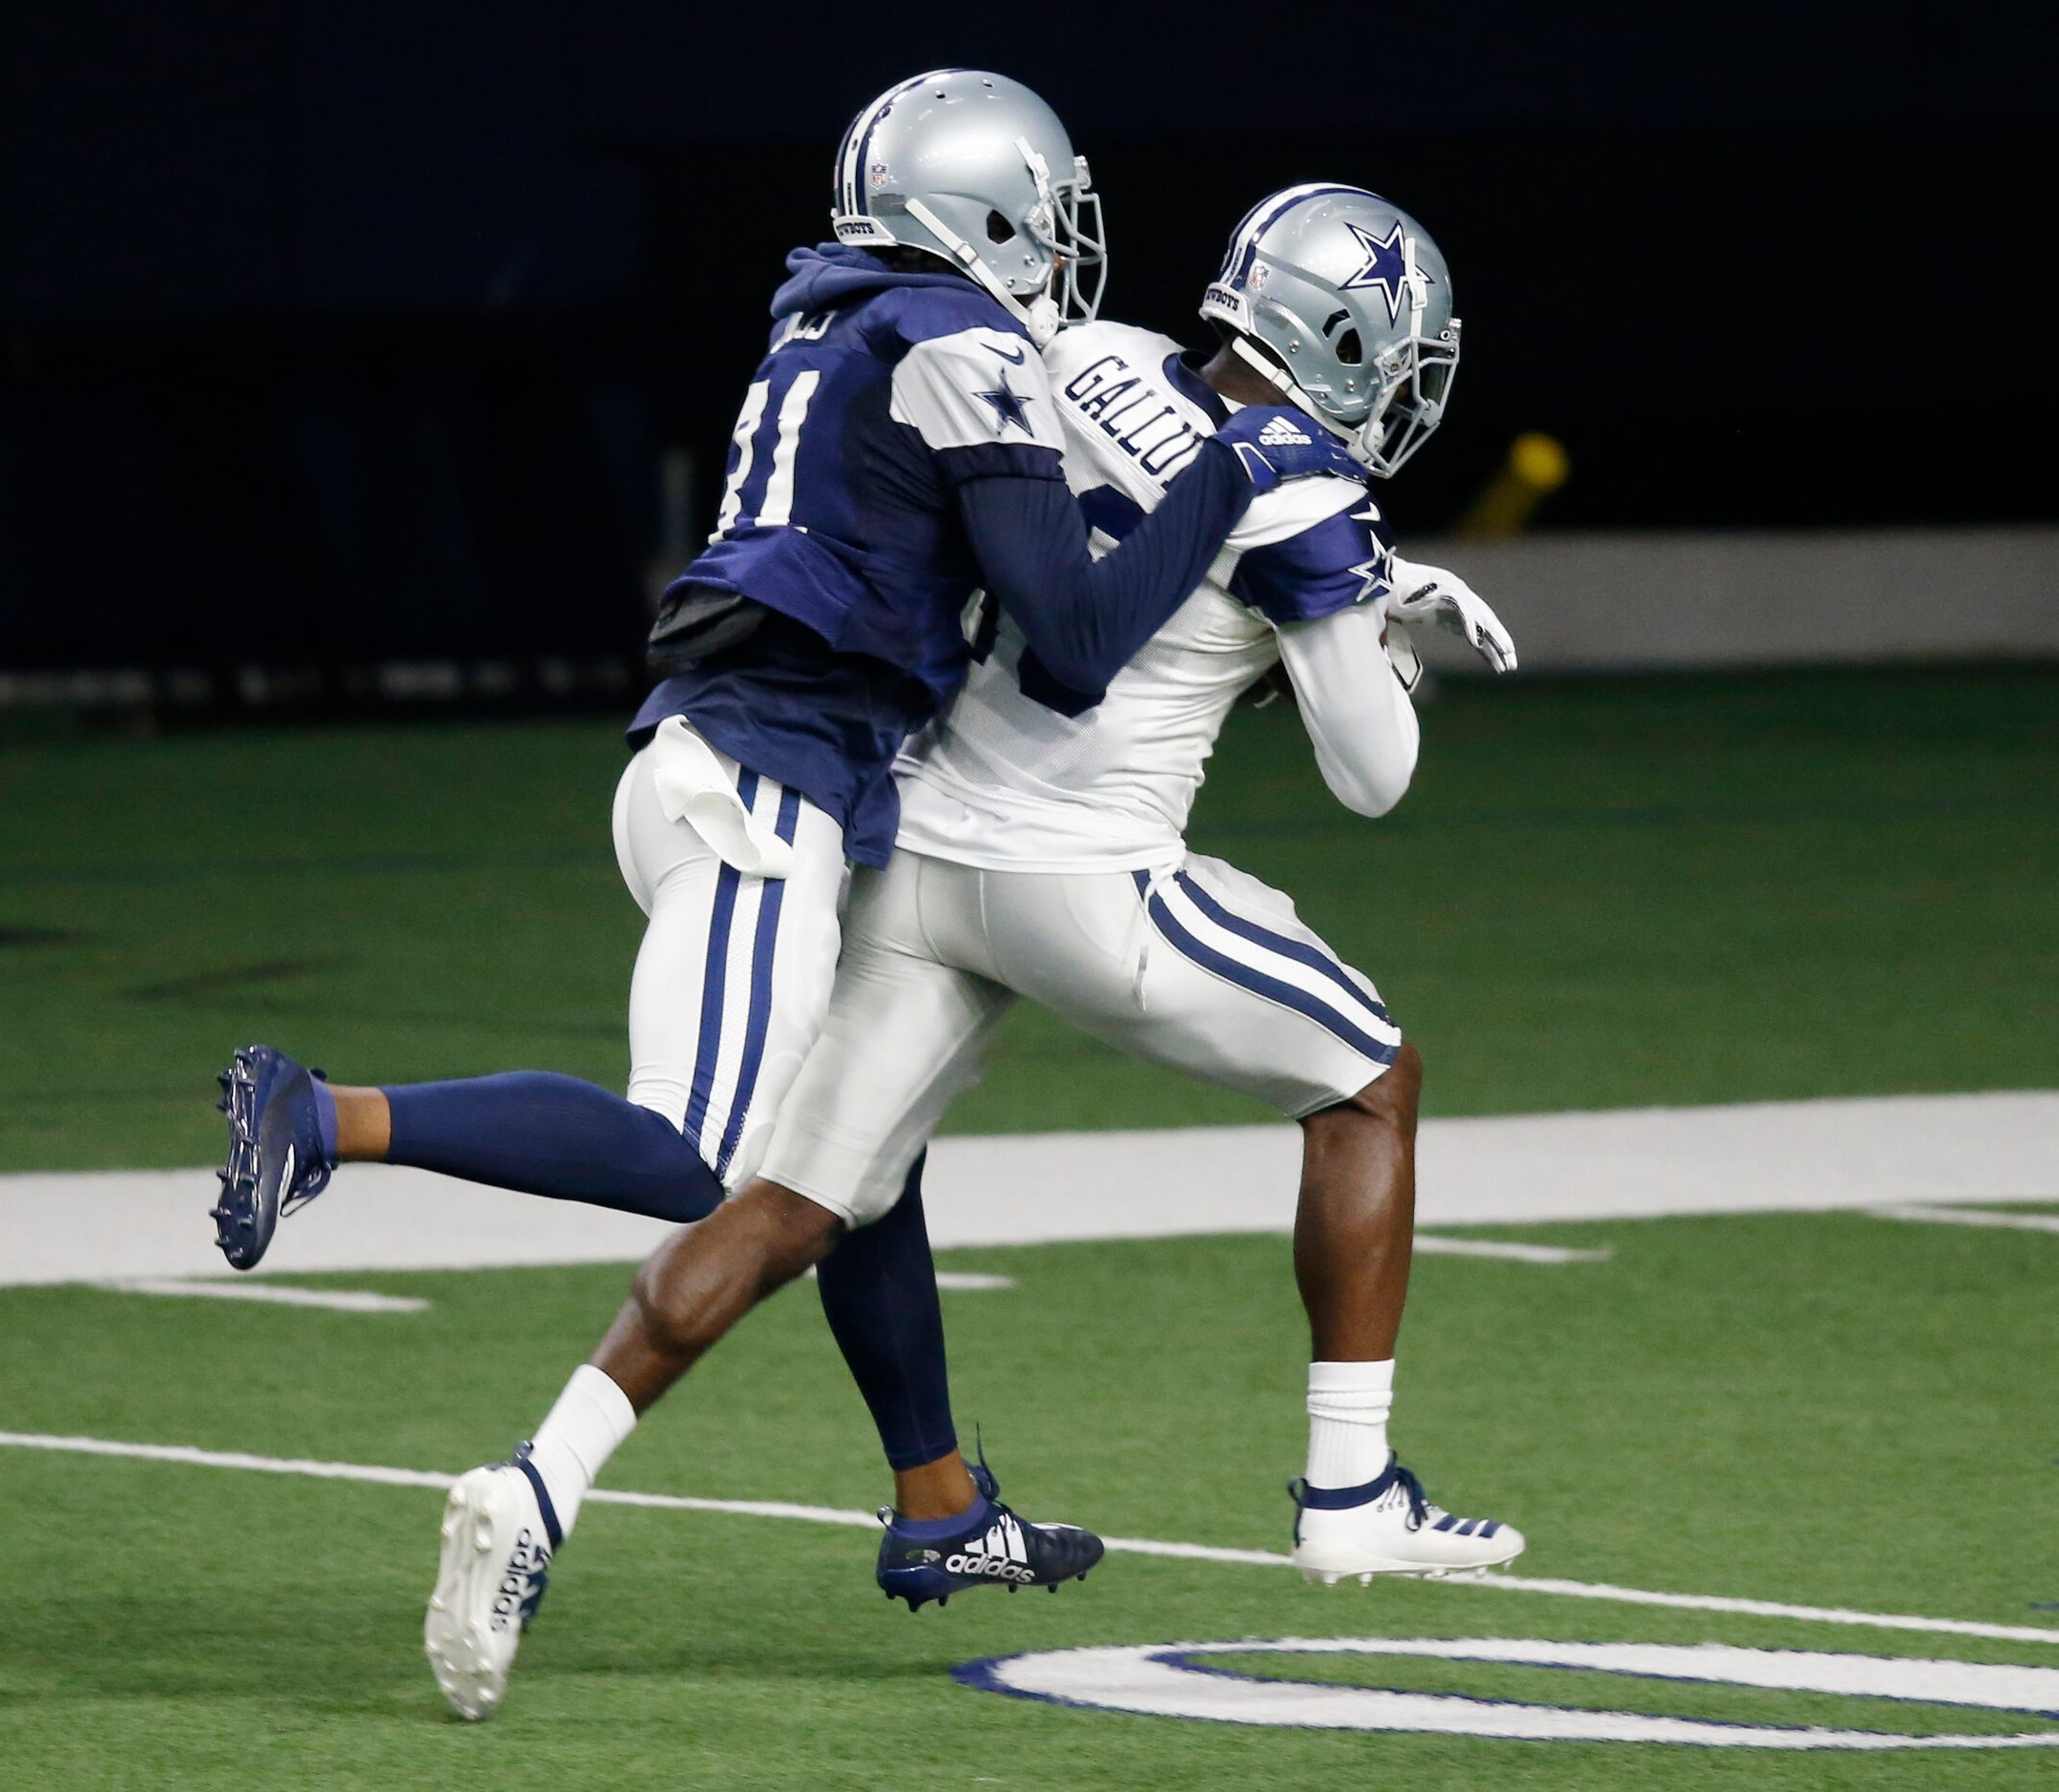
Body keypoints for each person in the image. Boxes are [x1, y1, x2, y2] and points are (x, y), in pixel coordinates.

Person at [205, 73, 1361, 1721]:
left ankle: (942, 1500)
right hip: (765, 787)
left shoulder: (839, 316)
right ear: (992, 213)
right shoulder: (958, 342)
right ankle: (324, 1111)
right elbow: (1085, 638)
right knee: (688, 1152)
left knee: (861, 1167)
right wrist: (1230, 475)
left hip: (727, 766)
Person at [746, 182, 1529, 1591]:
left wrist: (1370, 570)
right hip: (1090, 881)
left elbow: (1112, 511)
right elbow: (1374, 772)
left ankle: (580, 1454)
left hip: (921, 836)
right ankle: (1351, 1490)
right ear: (1349, 346)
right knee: (1370, 1083)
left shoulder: (1087, 350)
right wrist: (1365, 622)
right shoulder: (1305, 486)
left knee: (823, 1189)